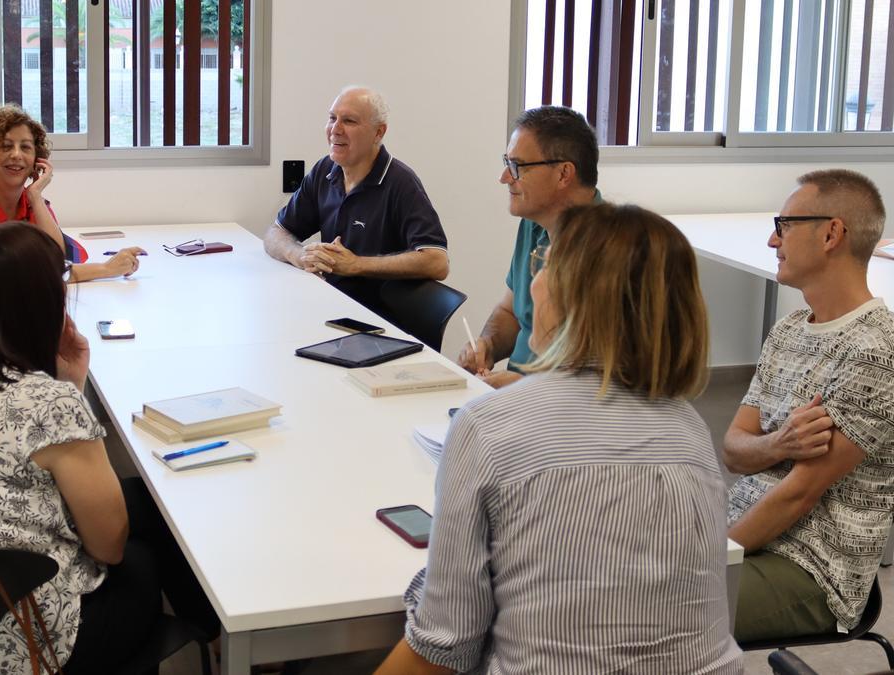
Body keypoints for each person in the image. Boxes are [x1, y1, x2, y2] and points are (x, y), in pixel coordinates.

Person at [377, 204, 742, 674]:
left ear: (573, 295)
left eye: (545, 267)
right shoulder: (689, 428)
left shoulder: (486, 424)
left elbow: (445, 644)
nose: (534, 284)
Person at [0, 223, 218, 673]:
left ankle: (219, 635)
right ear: (41, 306)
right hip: (26, 646)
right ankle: (222, 639)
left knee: (141, 505)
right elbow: (109, 547)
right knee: (142, 556)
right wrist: (70, 394)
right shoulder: (48, 404)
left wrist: (69, 385)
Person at [725, 170, 894, 642]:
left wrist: (710, 559)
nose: (771, 239)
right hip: (747, 534)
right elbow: (734, 450)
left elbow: (800, 493)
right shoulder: (788, 331)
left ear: (831, 233)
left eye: (785, 225)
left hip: (810, 569)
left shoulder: (875, 353)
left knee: (645, 613)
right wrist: (781, 443)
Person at [262, 86, 448, 314]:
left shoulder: (401, 183)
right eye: (332, 118)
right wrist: (299, 255)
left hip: (380, 323)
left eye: (349, 121)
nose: (335, 130)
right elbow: (275, 233)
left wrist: (356, 265)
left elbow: (437, 262)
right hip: (331, 307)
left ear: (378, 133)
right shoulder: (325, 170)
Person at [457, 106, 599, 388]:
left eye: (517, 166)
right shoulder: (534, 224)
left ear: (563, 174)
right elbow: (511, 312)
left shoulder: (610, 248)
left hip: (558, 410)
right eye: (507, 163)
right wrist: (487, 345)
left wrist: (524, 386)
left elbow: (601, 372)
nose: (505, 177)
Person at [0, 103, 144, 281]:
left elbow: (57, 259)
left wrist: (36, 197)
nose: (16, 155)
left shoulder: (31, 200)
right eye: (6, 146)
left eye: (26, 147)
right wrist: (106, 269)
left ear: (37, 161)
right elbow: (13, 274)